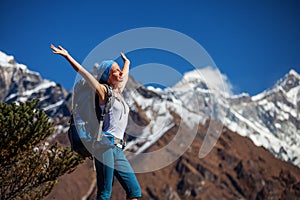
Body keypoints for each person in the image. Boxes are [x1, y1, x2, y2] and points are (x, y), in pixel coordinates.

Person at [50, 44, 142, 200]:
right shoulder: (104, 92)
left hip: (118, 148)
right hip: (105, 145)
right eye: (115, 71)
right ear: (107, 76)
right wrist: (67, 56)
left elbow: (124, 74)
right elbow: (85, 74)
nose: (120, 72)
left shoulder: (118, 91)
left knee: (134, 192)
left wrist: (127, 62)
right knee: (104, 193)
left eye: (120, 70)